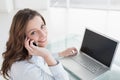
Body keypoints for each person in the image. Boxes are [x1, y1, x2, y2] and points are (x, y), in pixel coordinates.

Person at [0, 8, 78, 80]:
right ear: (22, 38)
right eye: (33, 32)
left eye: (42, 26)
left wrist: (61, 54)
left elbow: (39, 59)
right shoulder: (27, 71)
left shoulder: (27, 51)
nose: (43, 34)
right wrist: (47, 55)